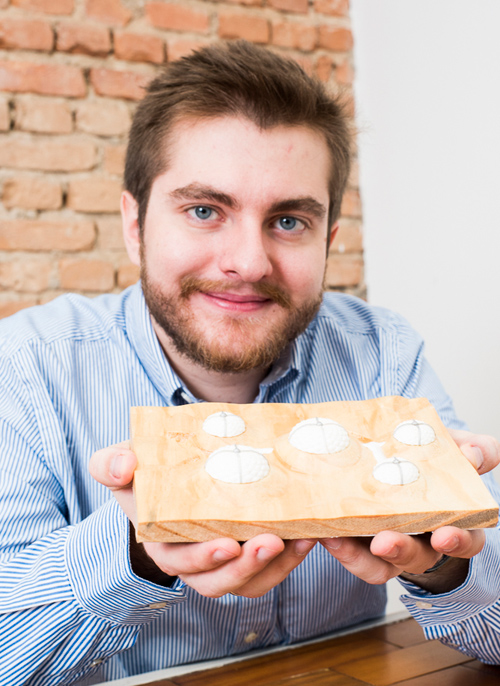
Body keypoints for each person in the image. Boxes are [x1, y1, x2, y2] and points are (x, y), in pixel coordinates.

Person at [1, 40, 499, 685]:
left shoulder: (383, 351)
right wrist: (138, 552)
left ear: (328, 241)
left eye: (289, 221)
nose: (250, 262)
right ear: (135, 224)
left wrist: (445, 567)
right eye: (204, 211)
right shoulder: (26, 368)